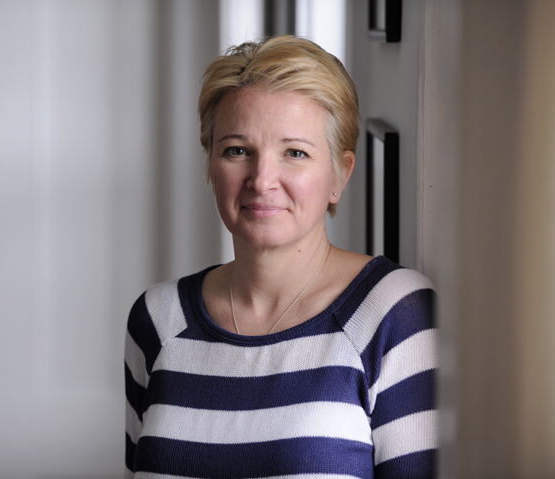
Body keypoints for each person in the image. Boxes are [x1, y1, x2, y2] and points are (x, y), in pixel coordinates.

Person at [124, 36, 436, 478]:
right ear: (210, 165)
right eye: (237, 150)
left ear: (340, 174)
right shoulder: (157, 319)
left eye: (295, 153)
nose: (261, 179)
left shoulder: (393, 313)